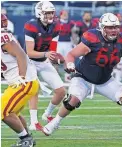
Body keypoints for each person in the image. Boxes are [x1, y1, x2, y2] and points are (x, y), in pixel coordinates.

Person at [42, 13, 122, 141]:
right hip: (83, 77)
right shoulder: (92, 38)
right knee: (73, 100)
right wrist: (71, 64)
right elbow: (71, 54)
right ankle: (55, 123)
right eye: (109, 27)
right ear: (102, 27)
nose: (113, 30)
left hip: (104, 80)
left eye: (115, 27)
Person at [24, 1, 66, 131]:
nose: (50, 15)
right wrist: (47, 53)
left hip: (44, 60)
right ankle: (34, 122)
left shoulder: (56, 26)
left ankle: (47, 114)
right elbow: (29, 52)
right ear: (39, 13)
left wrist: (56, 59)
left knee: (61, 91)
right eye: (47, 13)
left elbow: (53, 49)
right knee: (34, 89)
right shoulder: (31, 26)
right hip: (30, 61)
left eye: (52, 12)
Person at [1, 14, 39, 147]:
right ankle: (28, 141)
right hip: (18, 83)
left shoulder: (3, 37)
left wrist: (21, 76)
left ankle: (26, 140)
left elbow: (21, 55)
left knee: (3, 112)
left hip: (24, 82)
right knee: (12, 112)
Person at [56, 10, 76, 82]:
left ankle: (67, 78)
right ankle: (56, 77)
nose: (65, 15)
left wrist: (74, 43)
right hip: (58, 43)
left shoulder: (71, 23)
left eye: (66, 14)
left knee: (68, 61)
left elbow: (73, 34)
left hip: (68, 43)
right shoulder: (56, 23)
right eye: (64, 14)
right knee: (56, 60)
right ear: (60, 15)